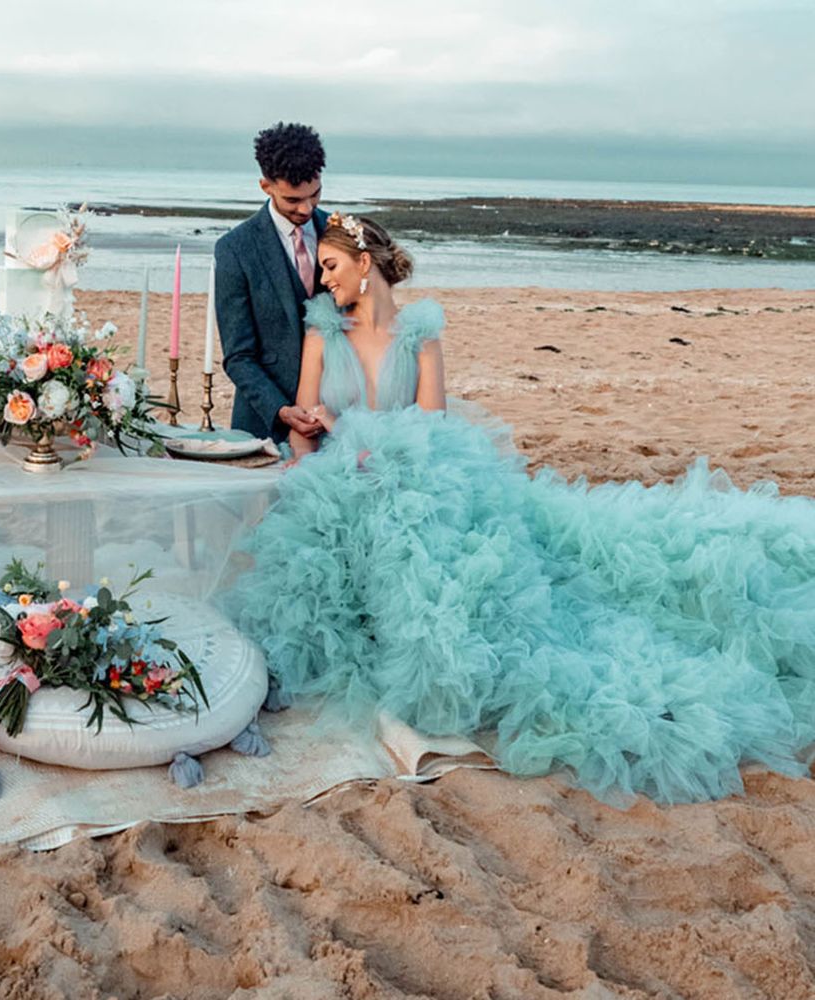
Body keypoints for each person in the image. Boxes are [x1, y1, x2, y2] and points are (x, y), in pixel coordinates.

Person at [225, 211, 815, 806]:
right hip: (339, 484)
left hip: (415, 476)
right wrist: (314, 444)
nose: (323, 280)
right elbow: (304, 422)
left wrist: (362, 440)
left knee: (437, 551)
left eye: (330, 267)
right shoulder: (322, 331)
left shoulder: (420, 332)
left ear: (364, 261)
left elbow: (433, 425)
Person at [214, 122, 330, 444]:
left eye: (315, 194)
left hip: (337, 417)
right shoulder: (235, 249)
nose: (307, 208)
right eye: (293, 200)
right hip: (264, 425)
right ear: (265, 186)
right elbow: (238, 355)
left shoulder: (340, 232)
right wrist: (281, 410)